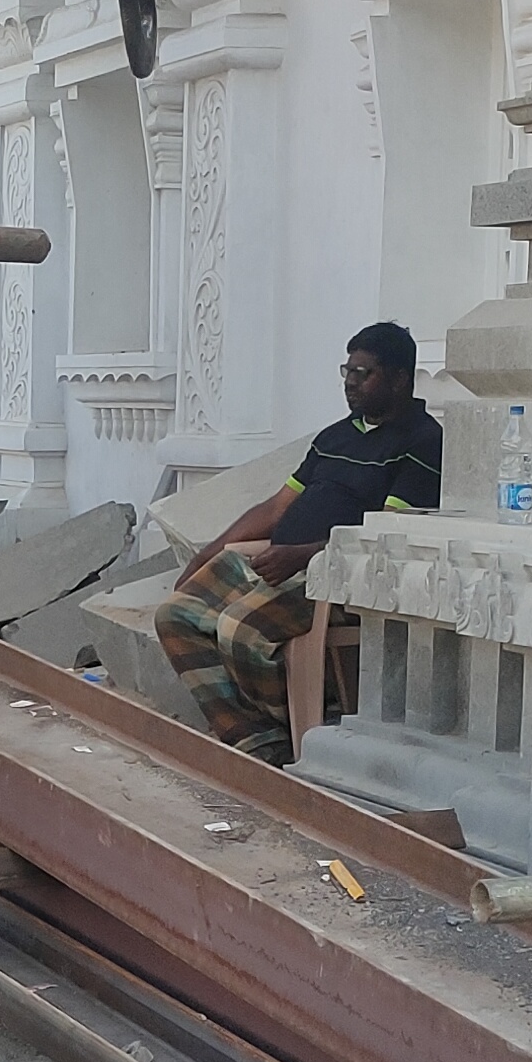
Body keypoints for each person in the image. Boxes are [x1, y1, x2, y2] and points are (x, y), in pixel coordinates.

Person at [155, 322, 445, 761]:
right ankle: (252, 738)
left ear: (400, 378)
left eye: (363, 373)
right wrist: (206, 553)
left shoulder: (422, 441)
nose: (350, 383)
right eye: (346, 371)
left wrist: (304, 555)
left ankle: (294, 732)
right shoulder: (335, 436)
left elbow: (386, 536)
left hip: (336, 577)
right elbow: (276, 509)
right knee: (175, 615)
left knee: (240, 630)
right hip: (277, 563)